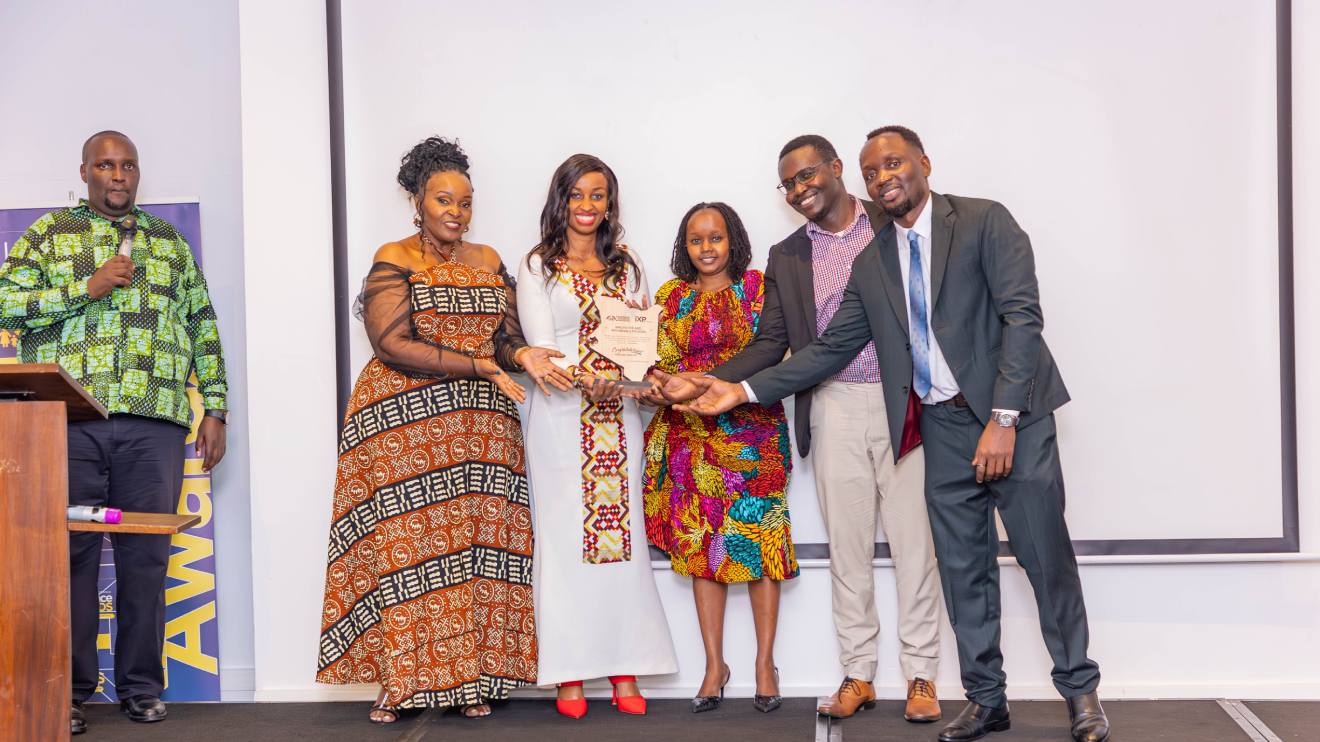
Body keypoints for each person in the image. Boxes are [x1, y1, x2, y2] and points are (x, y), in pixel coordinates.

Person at [669, 126, 1109, 742]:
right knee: (964, 568)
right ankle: (987, 701)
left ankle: (1081, 692)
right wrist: (739, 390)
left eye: (893, 165)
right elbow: (832, 345)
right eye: (875, 172)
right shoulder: (873, 262)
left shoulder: (984, 222)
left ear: (924, 163)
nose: (883, 179)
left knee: (1044, 558)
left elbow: (1021, 317)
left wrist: (1004, 418)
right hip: (940, 424)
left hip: (1014, 420)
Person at [657, 134, 943, 723]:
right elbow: (771, 343)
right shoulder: (787, 256)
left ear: (837, 170)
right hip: (832, 404)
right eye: (789, 183)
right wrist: (711, 380)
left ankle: (921, 675)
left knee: (916, 545)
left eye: (809, 175)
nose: (801, 189)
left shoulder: (891, 227)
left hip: (903, 404)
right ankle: (858, 674)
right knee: (848, 550)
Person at [316, 137, 553, 722]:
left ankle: (468, 679)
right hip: (402, 421)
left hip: (480, 426)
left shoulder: (490, 258)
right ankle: (400, 681)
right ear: (418, 201)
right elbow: (391, 343)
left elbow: (506, 336)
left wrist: (526, 358)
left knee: (472, 554)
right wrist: (481, 366)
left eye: (466, 202)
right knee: (408, 554)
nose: (456, 211)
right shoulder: (393, 255)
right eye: (444, 199)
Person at [0, 131, 229, 735]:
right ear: (85, 172)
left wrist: (218, 409)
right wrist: (86, 287)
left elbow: (202, 324)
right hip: (69, 424)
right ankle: (69, 691)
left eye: (128, 165)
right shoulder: (50, 236)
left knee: (146, 557)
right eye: (106, 164)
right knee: (66, 559)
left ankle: (140, 687)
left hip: (153, 426)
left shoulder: (169, 243)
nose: (119, 174)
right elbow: (5, 306)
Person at [516, 153, 678, 719]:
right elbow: (543, 350)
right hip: (561, 421)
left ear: (611, 203)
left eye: (599, 195)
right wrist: (591, 378)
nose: (589, 206)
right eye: (578, 194)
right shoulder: (537, 264)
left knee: (620, 544)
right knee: (565, 546)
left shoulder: (627, 264)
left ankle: (623, 664)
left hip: (618, 421)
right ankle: (570, 674)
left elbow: (641, 338)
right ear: (561, 200)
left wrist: (637, 377)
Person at [641, 202, 796, 714]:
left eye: (715, 238)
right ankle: (714, 666)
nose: (706, 248)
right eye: (695, 240)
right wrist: (656, 386)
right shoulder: (670, 297)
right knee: (702, 551)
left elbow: (776, 350)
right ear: (684, 248)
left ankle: (764, 665)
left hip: (751, 435)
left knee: (760, 548)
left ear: (734, 241)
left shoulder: (758, 288)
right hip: (689, 437)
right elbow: (656, 366)